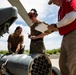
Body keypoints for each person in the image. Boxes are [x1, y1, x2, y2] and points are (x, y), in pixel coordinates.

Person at [47, 0, 76, 75]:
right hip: (65, 36)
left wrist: (56, 25)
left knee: (73, 62)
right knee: (63, 63)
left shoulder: (69, 1)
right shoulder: (60, 10)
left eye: (54, 1)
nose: (54, 3)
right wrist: (52, 28)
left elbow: (72, 16)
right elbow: (63, 25)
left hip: (73, 33)